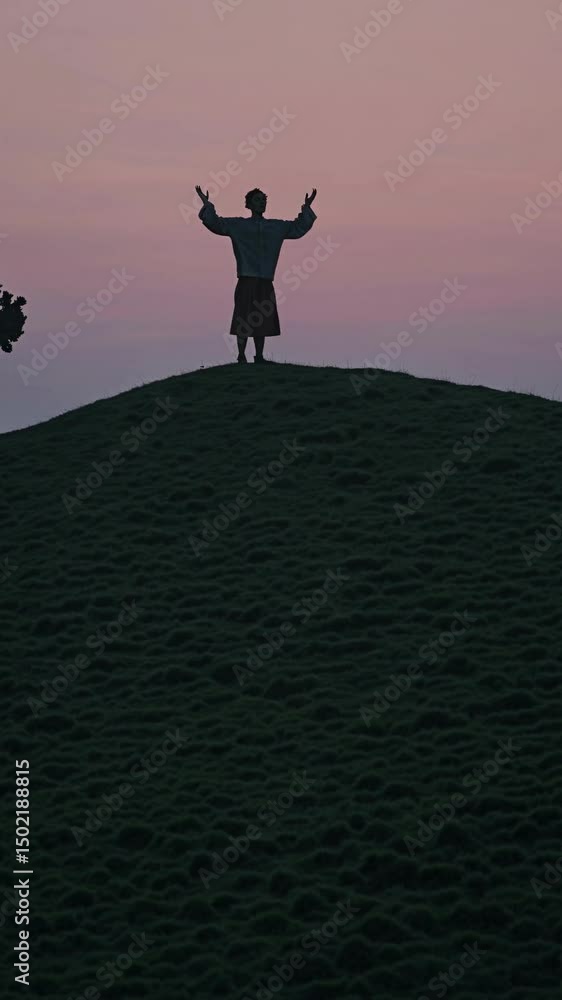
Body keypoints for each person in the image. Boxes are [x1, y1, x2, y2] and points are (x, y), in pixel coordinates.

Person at [195, 185, 317, 363]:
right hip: (246, 278)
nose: (262, 203)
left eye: (264, 200)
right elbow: (216, 224)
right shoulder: (239, 225)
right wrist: (207, 204)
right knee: (244, 318)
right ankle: (241, 355)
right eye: (258, 200)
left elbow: (298, 228)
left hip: (265, 280)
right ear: (249, 204)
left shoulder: (275, 227)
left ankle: (259, 356)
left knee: (262, 319)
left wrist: (306, 207)